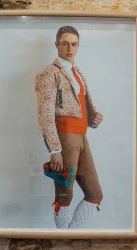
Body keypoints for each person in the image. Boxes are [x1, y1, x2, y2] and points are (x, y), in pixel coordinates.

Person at [35, 25, 104, 229]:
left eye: (74, 44)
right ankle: (65, 239)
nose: (69, 48)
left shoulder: (77, 72)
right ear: (57, 44)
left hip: (82, 137)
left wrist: (92, 118)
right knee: (64, 195)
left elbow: (77, 103)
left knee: (95, 194)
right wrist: (55, 150)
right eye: (65, 43)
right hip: (65, 138)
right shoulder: (48, 74)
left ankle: (71, 235)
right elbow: (45, 114)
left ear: (78, 46)